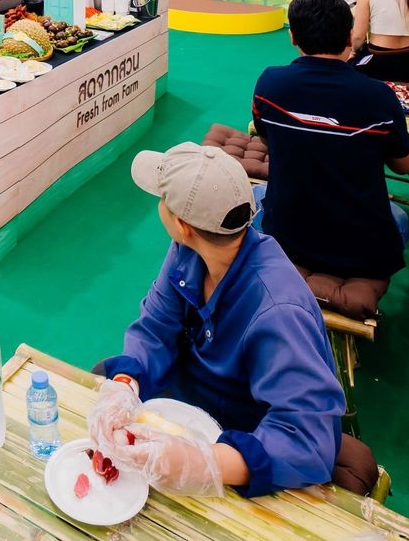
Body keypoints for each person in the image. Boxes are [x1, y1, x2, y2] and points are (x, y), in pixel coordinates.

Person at [87, 143, 346, 498]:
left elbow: (309, 441)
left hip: (243, 436)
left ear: (182, 225)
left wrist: (202, 463)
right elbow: (155, 328)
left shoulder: (278, 309)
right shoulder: (187, 252)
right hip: (184, 407)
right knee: (105, 386)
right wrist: (125, 384)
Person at [252, 0, 409, 317]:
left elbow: (268, 141)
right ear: (350, 37)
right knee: (399, 218)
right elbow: (403, 165)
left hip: (287, 236)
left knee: (257, 194)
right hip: (362, 250)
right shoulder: (379, 96)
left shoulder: (269, 84)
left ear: (292, 37)